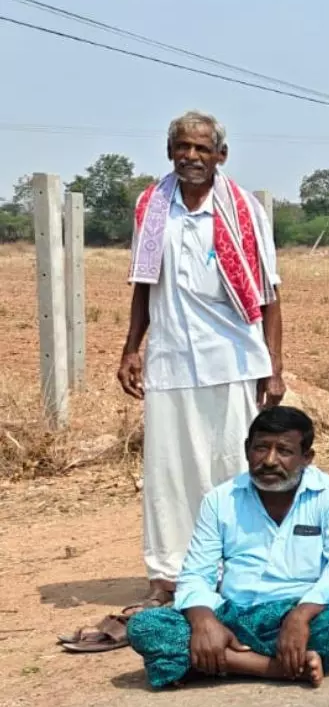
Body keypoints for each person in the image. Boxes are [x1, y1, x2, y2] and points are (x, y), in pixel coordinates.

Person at [64, 111, 284, 654]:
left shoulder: (243, 210)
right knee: (169, 473)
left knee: (231, 469)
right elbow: (144, 284)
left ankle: (239, 573)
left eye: (202, 148)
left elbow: (269, 292)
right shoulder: (152, 205)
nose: (191, 156)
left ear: (220, 156)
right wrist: (131, 348)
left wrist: (274, 367)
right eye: (182, 147)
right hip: (170, 360)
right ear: (170, 152)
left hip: (233, 359)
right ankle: (168, 578)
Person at [125, 407, 329, 689]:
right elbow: (197, 573)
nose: (270, 460)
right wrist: (204, 622)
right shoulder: (220, 499)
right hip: (232, 616)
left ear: (306, 458)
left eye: (284, 451)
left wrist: (300, 616)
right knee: (145, 626)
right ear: (247, 449)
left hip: (298, 614)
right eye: (261, 448)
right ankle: (278, 667)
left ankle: (215, 661)